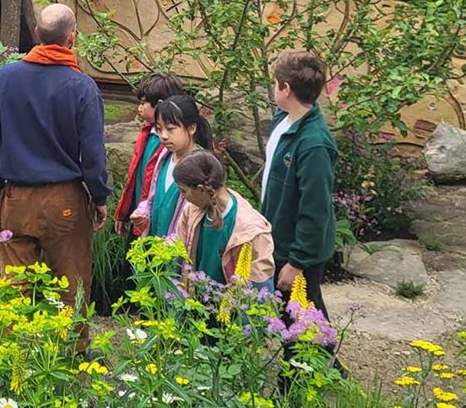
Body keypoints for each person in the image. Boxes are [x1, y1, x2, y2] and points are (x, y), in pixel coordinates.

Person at [0, 3, 110, 351]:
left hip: (16, 197)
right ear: (73, 39)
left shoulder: (5, 78)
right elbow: (92, 152)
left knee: (15, 286)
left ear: (36, 35)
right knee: (71, 285)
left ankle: (11, 358)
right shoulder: (82, 87)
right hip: (64, 201)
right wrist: (99, 197)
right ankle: (72, 358)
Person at [260, 49, 345, 374]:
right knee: (300, 313)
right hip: (279, 238)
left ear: (286, 90)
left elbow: (316, 211)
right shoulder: (285, 122)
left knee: (300, 316)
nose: (273, 89)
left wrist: (296, 261)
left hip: (299, 250)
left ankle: (301, 380)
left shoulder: (313, 145)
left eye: (275, 84)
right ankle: (327, 372)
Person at [173, 150, 275, 290]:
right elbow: (176, 260)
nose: (182, 196)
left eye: (183, 191)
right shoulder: (191, 211)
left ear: (201, 189)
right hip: (192, 306)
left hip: (229, 308)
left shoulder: (253, 232)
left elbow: (261, 292)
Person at [113, 73, 185, 237]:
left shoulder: (174, 143)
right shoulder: (147, 133)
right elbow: (134, 178)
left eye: (143, 103)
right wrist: (123, 211)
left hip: (164, 225)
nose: (139, 108)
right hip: (139, 214)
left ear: (159, 105)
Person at [130, 94, 212, 238]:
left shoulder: (201, 167)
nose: (163, 136)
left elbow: (194, 221)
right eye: (159, 129)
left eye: (170, 129)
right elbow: (152, 197)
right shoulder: (164, 157)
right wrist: (143, 212)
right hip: (154, 245)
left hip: (177, 251)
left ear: (191, 128)